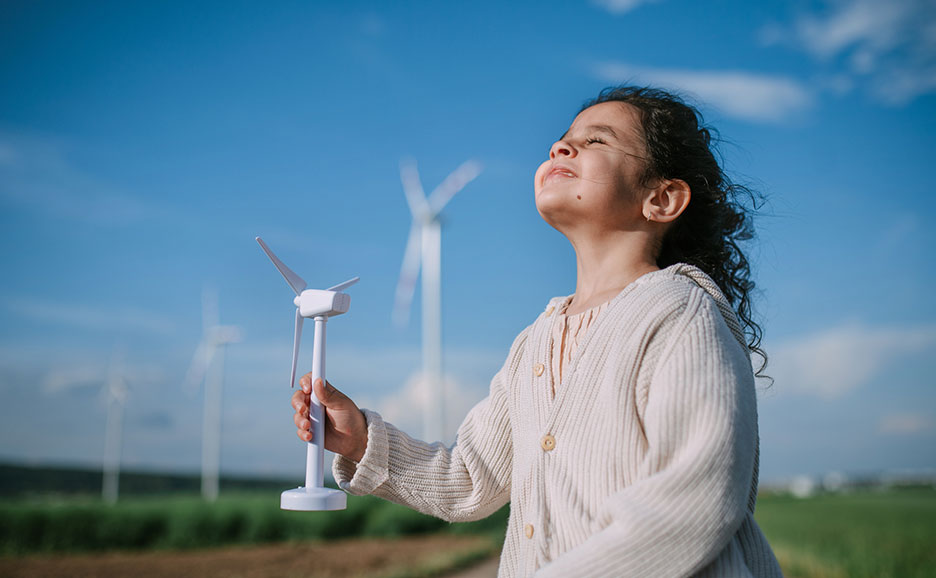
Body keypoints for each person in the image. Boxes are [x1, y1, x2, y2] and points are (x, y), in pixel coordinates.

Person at [290, 86, 782, 577]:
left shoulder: (679, 314)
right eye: (561, 141)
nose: (559, 148)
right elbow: (470, 479)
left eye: (596, 142)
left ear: (661, 198)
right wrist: (360, 442)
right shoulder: (536, 342)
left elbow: (695, 500)